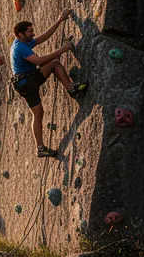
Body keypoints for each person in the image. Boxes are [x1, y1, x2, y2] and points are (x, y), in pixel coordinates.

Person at [10, 11, 87, 158]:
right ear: (21, 34)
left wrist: (59, 20)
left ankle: (40, 148)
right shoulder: (20, 47)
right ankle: (71, 89)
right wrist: (62, 50)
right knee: (54, 64)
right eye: (30, 31)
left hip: (23, 84)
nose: (33, 34)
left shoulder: (20, 43)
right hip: (28, 79)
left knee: (38, 113)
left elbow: (42, 38)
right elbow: (39, 62)